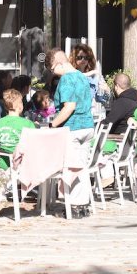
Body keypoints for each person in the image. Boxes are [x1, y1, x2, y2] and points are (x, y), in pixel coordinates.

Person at [48, 47, 95, 216]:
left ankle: (73, 207)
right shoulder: (82, 77)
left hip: (73, 128)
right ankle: (82, 206)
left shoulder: (67, 79)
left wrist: (53, 125)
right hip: (87, 126)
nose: (53, 73)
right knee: (81, 168)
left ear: (58, 63)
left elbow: (69, 107)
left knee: (72, 169)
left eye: (52, 69)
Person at [0, 89, 37, 169]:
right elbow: (34, 143)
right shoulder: (27, 124)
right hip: (21, 163)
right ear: (20, 106)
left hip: (3, 162)